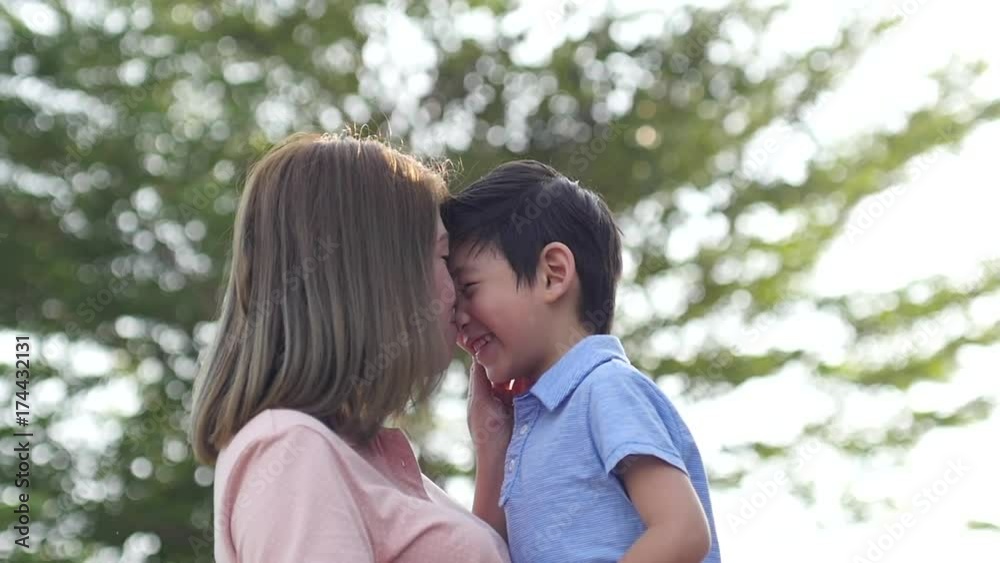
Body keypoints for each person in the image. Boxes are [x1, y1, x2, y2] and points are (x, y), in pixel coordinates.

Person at [189, 132, 511, 563]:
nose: (456, 289)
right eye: (441, 258)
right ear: (376, 272)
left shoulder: (360, 456)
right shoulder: (291, 451)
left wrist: (494, 449)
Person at [443, 160, 722, 563]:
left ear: (553, 274)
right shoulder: (532, 423)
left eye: (468, 288)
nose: (458, 315)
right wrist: (491, 443)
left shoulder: (605, 388)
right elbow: (488, 552)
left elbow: (683, 531)